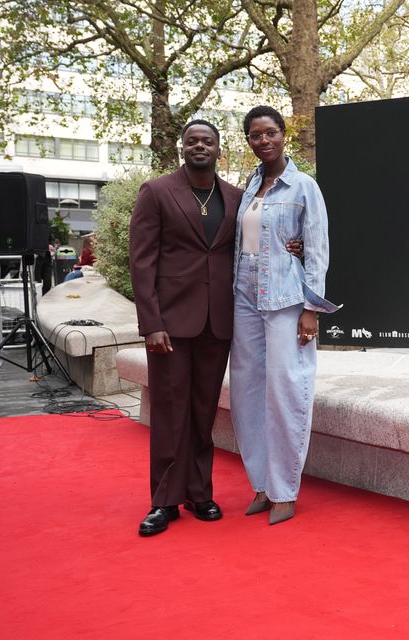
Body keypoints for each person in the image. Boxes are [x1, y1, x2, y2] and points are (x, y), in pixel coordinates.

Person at [129, 120, 242, 537]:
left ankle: (199, 493)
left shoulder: (235, 197)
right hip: (171, 325)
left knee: (202, 412)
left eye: (207, 141)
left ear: (217, 149)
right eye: (192, 140)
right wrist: (151, 323)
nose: (200, 146)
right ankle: (163, 501)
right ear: (183, 148)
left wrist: (292, 246)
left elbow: (249, 249)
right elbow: (142, 261)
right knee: (170, 412)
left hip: (218, 323)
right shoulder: (157, 192)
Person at [230, 105, 339, 526]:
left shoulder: (304, 186)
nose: (263, 141)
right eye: (255, 135)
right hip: (243, 300)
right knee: (246, 392)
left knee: (286, 389)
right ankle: (261, 483)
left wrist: (312, 309)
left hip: (286, 300)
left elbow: (317, 249)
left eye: (270, 133)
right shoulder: (251, 185)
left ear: (283, 135)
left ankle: (285, 490)